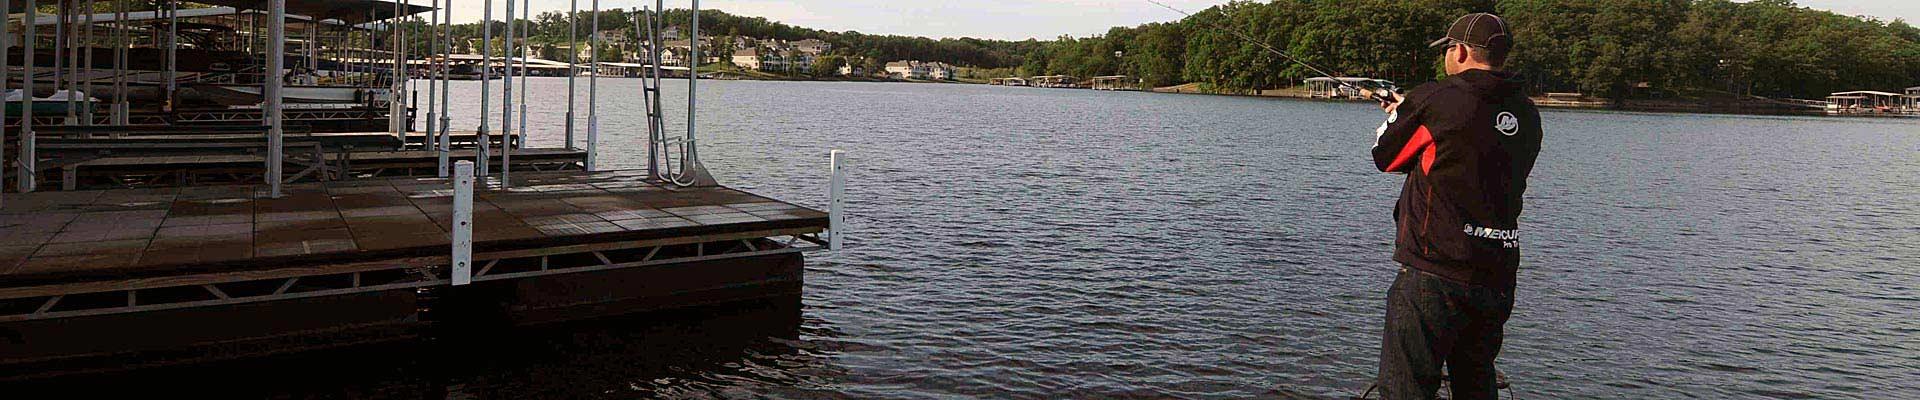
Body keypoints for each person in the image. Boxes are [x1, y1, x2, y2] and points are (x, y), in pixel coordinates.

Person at [1370, 12, 1542, 400]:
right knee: (1476, 382)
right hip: (1496, 275)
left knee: (1405, 389)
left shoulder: (1437, 98)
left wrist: (1399, 115)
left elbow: (1387, 157)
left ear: (1461, 51)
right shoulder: (1527, 113)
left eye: (1448, 48)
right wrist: (1411, 112)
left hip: (1435, 273)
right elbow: (1462, 157)